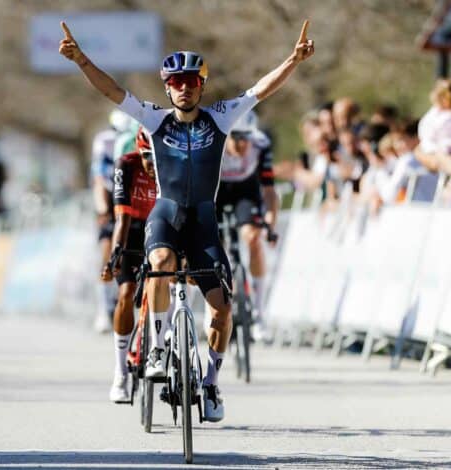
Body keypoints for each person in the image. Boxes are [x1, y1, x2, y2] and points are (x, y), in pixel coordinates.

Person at [60, 19, 315, 422]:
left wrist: (292, 60)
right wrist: (80, 60)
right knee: (160, 266)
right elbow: (112, 91)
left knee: (223, 307)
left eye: (191, 80)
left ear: (201, 84)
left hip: (203, 219)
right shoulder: (154, 119)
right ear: (167, 87)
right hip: (166, 213)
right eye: (176, 81)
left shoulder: (220, 118)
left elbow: (260, 90)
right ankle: (158, 349)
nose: (184, 87)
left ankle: (210, 382)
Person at [101, 127, 159, 403]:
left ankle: (164, 342)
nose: (154, 166)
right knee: (125, 293)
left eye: (159, 157)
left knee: (166, 285)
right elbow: (121, 220)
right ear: (138, 151)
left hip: (162, 226)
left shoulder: (175, 165)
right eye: (148, 157)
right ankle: (121, 369)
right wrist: (115, 254)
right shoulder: (126, 165)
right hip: (132, 227)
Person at [215, 110, 278, 341]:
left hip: (245, 191)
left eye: (245, 138)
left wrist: (270, 223)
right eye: (236, 138)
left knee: (253, 239)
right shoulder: (214, 143)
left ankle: (259, 314)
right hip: (217, 191)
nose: (242, 144)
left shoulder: (260, 145)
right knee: (211, 245)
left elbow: (269, 190)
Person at [91, 110, 133, 333]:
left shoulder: (136, 139)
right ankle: (103, 308)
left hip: (130, 193)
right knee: (107, 250)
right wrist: (103, 209)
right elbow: (98, 179)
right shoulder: (103, 142)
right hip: (109, 193)